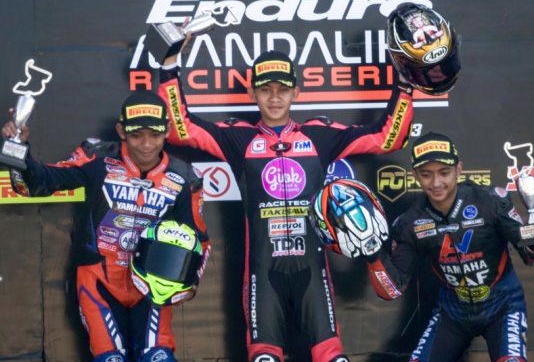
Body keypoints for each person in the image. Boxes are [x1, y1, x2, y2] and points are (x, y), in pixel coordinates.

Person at [157, 48, 414, 362]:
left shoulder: (319, 135)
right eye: (266, 89)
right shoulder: (239, 139)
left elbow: (388, 138)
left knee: (332, 356)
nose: (275, 97)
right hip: (263, 273)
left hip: (313, 271)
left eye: (283, 89)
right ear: (252, 94)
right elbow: (180, 128)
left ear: (296, 92)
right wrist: (169, 66)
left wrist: (405, 84)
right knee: (263, 357)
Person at [1, 90, 209, 362]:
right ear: (121, 131)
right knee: (110, 358)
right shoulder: (96, 157)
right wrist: (19, 149)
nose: (146, 144)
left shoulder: (185, 177)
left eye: (155, 135)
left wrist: (190, 283)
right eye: (136, 135)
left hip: (154, 286)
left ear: (167, 131)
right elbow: (38, 184)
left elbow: (199, 240)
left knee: (157, 356)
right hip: (98, 281)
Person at [366, 131, 533, 362]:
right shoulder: (411, 222)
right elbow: (392, 289)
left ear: (458, 169)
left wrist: (532, 223)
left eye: (444, 172)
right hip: (452, 310)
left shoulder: (490, 201)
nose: (436, 183)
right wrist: (371, 251)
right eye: (426, 174)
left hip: (503, 304)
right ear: (415, 175)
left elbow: (529, 254)